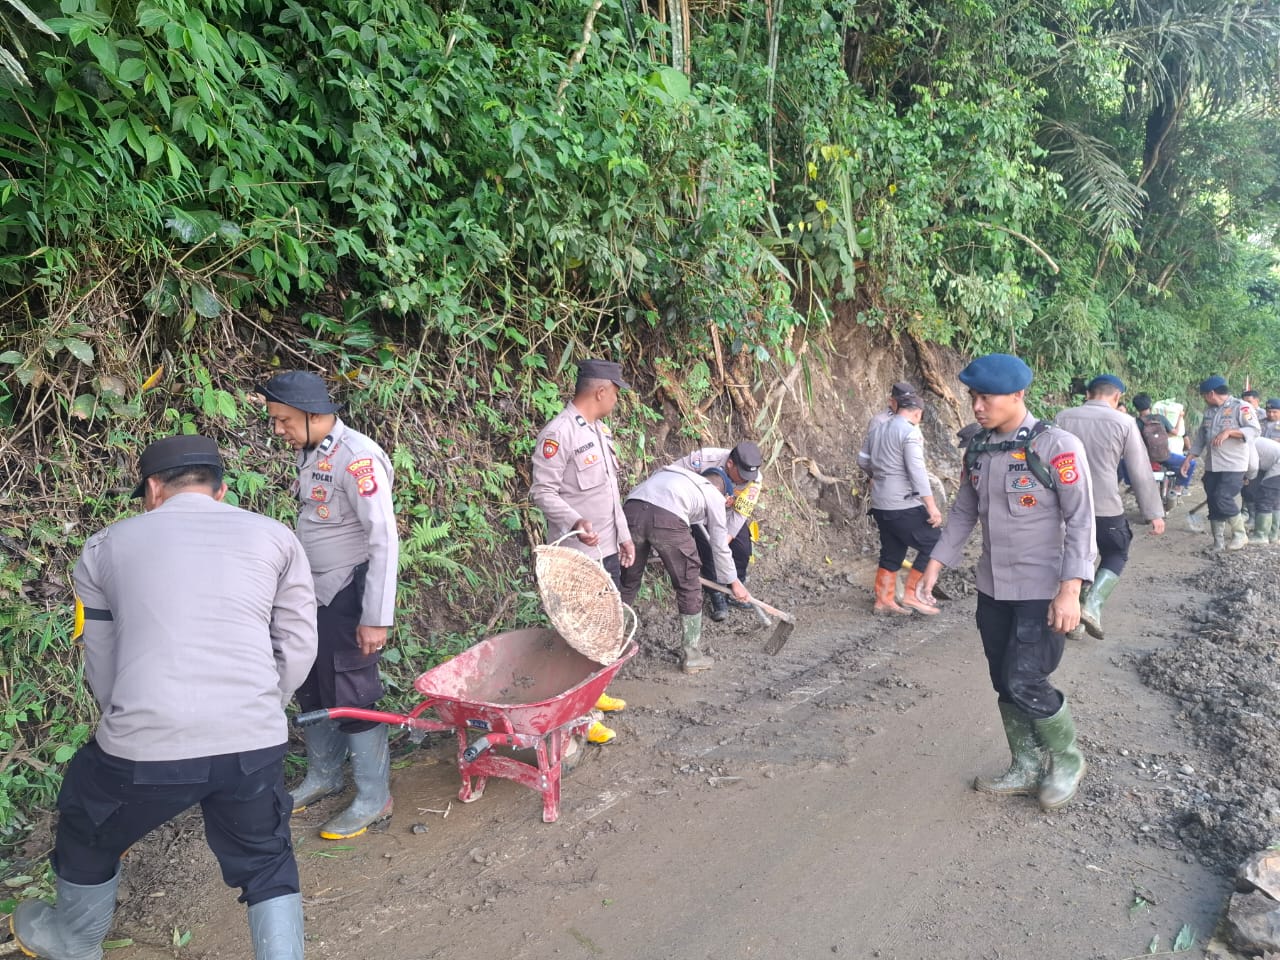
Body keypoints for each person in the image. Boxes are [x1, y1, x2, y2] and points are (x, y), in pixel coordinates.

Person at [9, 436, 318, 960]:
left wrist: (123, 716)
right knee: (266, 860)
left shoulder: (105, 546)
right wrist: (264, 705)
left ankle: (74, 942)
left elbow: (101, 657)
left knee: (87, 829)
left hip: (144, 746)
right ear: (220, 490)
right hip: (253, 740)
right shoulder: (276, 538)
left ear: (153, 489)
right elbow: (299, 642)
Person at [915, 354, 1097, 811]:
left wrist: (1071, 590)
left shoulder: (1056, 447)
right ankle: (1024, 765)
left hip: (1043, 590)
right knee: (1003, 679)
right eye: (973, 396)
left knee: (1026, 678)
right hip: (994, 589)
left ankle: (1067, 759)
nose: (977, 406)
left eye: (986, 397)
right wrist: (936, 563)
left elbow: (1081, 521)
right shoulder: (978, 449)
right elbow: (962, 512)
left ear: (1019, 395)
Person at [260, 371, 400, 840]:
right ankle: (324, 776)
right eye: (275, 420)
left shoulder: (357, 458)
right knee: (312, 681)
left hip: (349, 591)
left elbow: (384, 538)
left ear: (315, 415)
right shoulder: (311, 451)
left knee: (352, 689)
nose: (278, 429)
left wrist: (376, 617)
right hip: (312, 592)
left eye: (283, 420)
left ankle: (374, 795)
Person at [529, 359, 636, 743]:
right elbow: (542, 491)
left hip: (606, 549)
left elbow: (609, 492)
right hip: (578, 557)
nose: (618, 399)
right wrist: (575, 521)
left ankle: (596, 692)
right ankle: (581, 717)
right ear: (601, 391)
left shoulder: (598, 430)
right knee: (582, 633)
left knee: (605, 628)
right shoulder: (558, 434)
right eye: (617, 392)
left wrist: (623, 534)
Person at [1055, 376, 1165, 641]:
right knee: (1116, 551)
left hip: (1064, 505)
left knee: (1079, 555)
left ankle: (1075, 622)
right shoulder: (1124, 422)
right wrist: (1154, 513)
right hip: (1104, 506)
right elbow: (1139, 470)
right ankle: (1091, 605)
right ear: (1117, 397)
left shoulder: (1063, 417)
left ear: (1088, 394)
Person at [618, 465, 751, 673]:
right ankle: (692, 656)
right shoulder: (713, 494)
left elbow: (650, 511)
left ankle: (609, 646)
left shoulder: (671, 474)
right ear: (722, 491)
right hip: (667, 518)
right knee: (689, 584)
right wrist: (734, 582)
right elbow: (719, 544)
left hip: (631, 512)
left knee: (627, 582)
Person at [856, 392, 942, 615]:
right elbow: (917, 472)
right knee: (935, 542)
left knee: (893, 548)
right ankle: (913, 594)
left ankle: (884, 599)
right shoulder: (909, 432)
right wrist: (931, 507)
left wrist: (879, 476)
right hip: (902, 503)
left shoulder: (878, 429)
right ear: (917, 413)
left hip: (880, 502)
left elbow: (862, 461)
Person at [671, 441, 763, 621]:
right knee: (708, 546)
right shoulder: (704, 460)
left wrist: (726, 539)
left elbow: (740, 514)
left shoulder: (755, 479)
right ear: (730, 464)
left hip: (729, 514)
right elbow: (671, 477)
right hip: (700, 513)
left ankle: (737, 586)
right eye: (742, 476)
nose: (746, 480)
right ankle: (716, 594)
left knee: (743, 547)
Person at [1184, 375, 1259, 552]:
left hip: (1234, 464)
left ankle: (1240, 534)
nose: (1204, 399)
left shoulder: (1241, 407)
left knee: (1223, 496)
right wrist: (1190, 457)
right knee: (1213, 500)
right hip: (1213, 464)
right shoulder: (1209, 411)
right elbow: (1202, 436)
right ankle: (1218, 542)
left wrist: (1230, 432)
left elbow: (1255, 429)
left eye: (1204, 395)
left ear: (1211, 393)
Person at [1131, 394, 1194, 494]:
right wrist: (1180, 417)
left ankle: (1131, 485)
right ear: (1150, 405)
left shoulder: (1134, 423)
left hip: (1145, 459)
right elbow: (1176, 432)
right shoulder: (1160, 418)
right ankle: (1178, 487)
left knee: (1125, 464)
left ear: (1136, 408)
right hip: (1165, 456)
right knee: (1191, 463)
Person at [1246, 437, 1280, 544]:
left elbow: (1253, 466)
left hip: (1277, 465)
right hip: (1273, 463)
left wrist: (1246, 477)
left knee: (1265, 498)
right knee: (1275, 502)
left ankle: (1261, 536)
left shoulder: (1246, 444)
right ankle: (1273, 535)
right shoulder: (1251, 440)